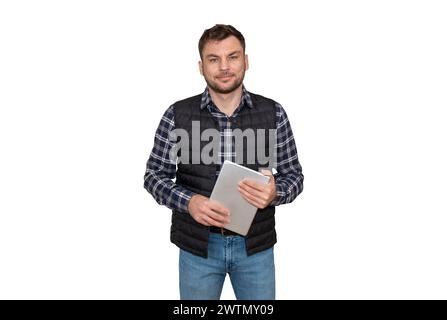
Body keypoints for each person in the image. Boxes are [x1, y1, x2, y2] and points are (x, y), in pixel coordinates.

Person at [143, 24, 304, 300]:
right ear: (201, 66)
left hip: (255, 248)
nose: (224, 67)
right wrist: (188, 202)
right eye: (213, 59)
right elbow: (154, 176)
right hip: (198, 249)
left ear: (246, 61)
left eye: (233, 57)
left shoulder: (273, 113)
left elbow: (295, 176)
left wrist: (276, 191)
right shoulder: (177, 115)